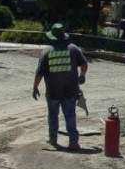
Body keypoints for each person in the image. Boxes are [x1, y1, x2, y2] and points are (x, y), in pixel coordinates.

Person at [32, 23, 88, 151]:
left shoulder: (47, 52)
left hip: (53, 91)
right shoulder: (73, 49)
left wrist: (35, 87)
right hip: (70, 90)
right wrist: (82, 75)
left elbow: (39, 73)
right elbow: (84, 64)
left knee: (53, 115)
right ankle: (73, 142)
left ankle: (53, 141)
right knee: (70, 115)